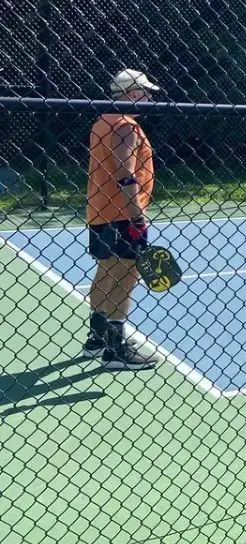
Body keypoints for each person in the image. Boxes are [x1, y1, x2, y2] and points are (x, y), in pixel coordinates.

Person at [83, 69, 161, 370]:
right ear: (133, 94)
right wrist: (136, 216)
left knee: (105, 271)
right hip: (122, 213)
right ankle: (116, 349)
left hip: (100, 210)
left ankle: (97, 338)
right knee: (126, 276)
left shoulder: (103, 121)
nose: (149, 97)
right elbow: (125, 172)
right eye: (146, 92)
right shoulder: (125, 126)